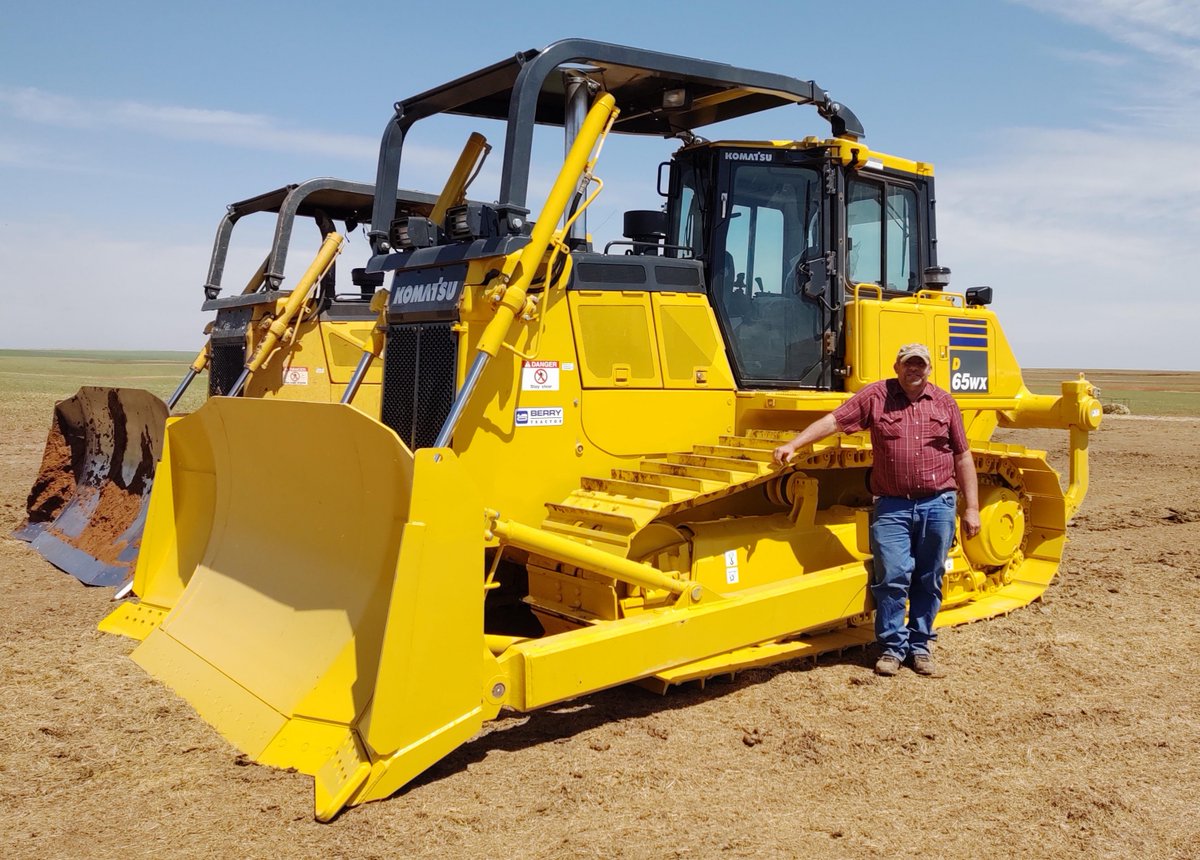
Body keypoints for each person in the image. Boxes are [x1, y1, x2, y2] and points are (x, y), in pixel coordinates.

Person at [772, 343, 981, 677]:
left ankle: (920, 646)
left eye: (921, 365)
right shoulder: (876, 396)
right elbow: (835, 420)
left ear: (929, 369)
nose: (915, 370)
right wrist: (795, 443)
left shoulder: (944, 403)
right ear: (896, 366)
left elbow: (963, 456)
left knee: (929, 577)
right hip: (893, 505)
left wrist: (972, 507)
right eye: (908, 364)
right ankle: (892, 648)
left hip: (937, 503)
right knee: (893, 575)